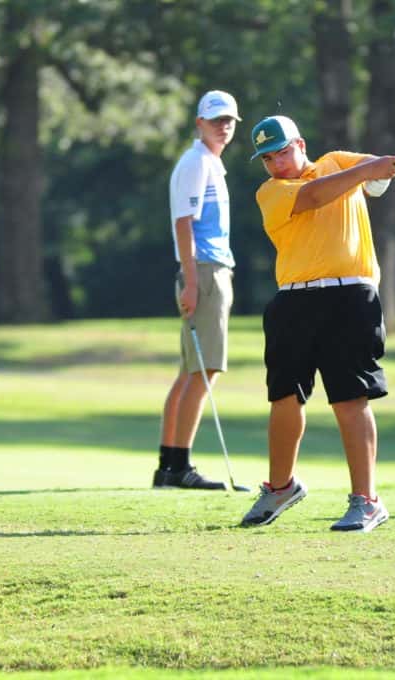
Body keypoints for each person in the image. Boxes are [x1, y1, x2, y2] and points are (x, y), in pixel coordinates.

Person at [240, 115, 395, 532]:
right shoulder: (271, 192)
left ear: (300, 144)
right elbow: (314, 196)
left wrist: (379, 171)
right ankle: (280, 487)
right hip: (293, 299)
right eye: (267, 158)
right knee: (284, 397)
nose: (276, 164)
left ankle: (366, 501)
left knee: (350, 397)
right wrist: (367, 172)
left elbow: (376, 178)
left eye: (282, 152)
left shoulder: (336, 161)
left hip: (351, 295)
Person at [154, 90, 241, 490]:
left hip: (208, 270)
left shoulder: (209, 163)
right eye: (216, 120)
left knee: (190, 373)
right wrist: (191, 282)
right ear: (199, 123)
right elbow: (183, 224)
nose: (223, 126)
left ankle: (168, 467)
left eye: (229, 120)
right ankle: (179, 467)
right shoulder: (196, 163)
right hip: (204, 271)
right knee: (204, 370)